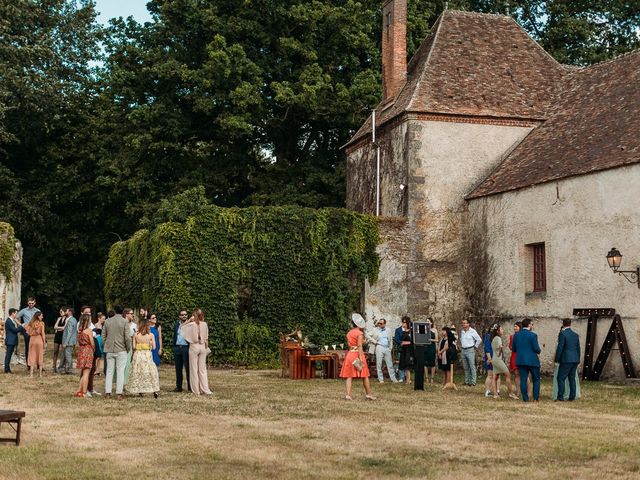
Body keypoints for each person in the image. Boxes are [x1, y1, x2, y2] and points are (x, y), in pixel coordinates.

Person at [339, 313, 375, 400]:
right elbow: (359, 346)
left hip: (350, 354)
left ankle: (348, 394)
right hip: (357, 354)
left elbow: (349, 344)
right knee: (364, 375)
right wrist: (360, 357)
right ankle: (369, 394)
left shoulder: (349, 333)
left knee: (349, 375)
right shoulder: (360, 333)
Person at [103, 305, 133, 399]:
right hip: (121, 349)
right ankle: (119, 393)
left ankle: (108, 393)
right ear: (122, 311)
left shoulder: (107, 321)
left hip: (110, 349)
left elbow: (103, 336)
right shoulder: (124, 322)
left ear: (114, 311)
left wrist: (106, 345)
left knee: (109, 371)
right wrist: (128, 348)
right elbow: (127, 338)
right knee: (120, 372)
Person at [126, 319, 160, 398]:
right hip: (147, 354)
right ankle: (154, 389)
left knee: (138, 371)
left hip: (138, 354)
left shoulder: (136, 334)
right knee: (150, 371)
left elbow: (134, 347)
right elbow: (154, 347)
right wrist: (150, 344)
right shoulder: (151, 335)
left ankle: (139, 389)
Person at [181, 308, 212, 395]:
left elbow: (182, 327)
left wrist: (189, 320)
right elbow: (206, 338)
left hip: (194, 346)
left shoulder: (191, 324)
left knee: (194, 369)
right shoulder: (204, 324)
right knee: (202, 369)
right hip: (202, 346)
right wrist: (206, 348)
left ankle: (196, 390)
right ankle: (205, 389)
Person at [511, 318, 541, 403]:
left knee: (523, 379)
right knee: (536, 379)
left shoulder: (516, 335)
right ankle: (535, 398)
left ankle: (525, 399)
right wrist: (539, 350)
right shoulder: (533, 335)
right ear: (528, 325)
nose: (532, 326)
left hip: (521, 360)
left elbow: (514, 349)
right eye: (531, 324)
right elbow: (536, 348)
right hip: (532, 360)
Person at [554, 319, 581, 401]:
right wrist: (578, 359)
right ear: (570, 324)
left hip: (566, 359)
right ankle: (572, 396)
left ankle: (560, 396)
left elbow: (560, 347)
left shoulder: (563, 334)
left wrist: (557, 359)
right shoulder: (575, 335)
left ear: (563, 324)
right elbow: (578, 348)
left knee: (560, 378)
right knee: (572, 378)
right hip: (575, 359)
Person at [489, 325, 517, 399]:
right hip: (498, 359)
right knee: (508, 375)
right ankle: (511, 393)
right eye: (501, 329)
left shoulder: (493, 338)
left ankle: (495, 394)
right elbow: (500, 347)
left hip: (494, 359)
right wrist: (500, 353)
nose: (503, 330)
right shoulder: (498, 338)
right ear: (497, 331)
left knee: (495, 377)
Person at [366, 318, 398, 383]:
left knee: (390, 364)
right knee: (379, 363)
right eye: (379, 323)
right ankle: (381, 379)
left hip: (387, 348)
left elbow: (391, 339)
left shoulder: (388, 330)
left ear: (384, 324)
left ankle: (393, 378)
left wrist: (390, 348)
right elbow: (367, 335)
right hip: (379, 347)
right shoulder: (375, 330)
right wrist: (374, 341)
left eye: (381, 323)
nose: (379, 324)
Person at [16, 296, 40, 365]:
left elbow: (40, 320)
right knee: (28, 346)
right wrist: (21, 324)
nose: (31, 304)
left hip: (35, 331)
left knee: (36, 347)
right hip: (27, 330)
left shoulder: (37, 311)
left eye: (32, 303)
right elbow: (15, 317)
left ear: (34, 303)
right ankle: (28, 364)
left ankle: (38, 364)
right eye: (29, 303)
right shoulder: (24, 310)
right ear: (27, 303)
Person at [75, 314, 95, 397]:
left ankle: (79, 390)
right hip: (88, 350)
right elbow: (92, 343)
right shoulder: (88, 331)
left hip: (81, 350)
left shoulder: (79, 330)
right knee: (87, 373)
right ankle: (84, 392)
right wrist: (94, 350)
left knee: (83, 372)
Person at [87, 313, 106, 397]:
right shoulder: (88, 326)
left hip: (96, 343)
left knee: (92, 368)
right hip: (92, 346)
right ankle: (85, 389)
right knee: (87, 370)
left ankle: (90, 389)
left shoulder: (91, 324)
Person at [459, 318, 482, 386]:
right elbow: (461, 340)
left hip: (470, 350)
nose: (463, 324)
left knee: (472, 366)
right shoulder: (462, 331)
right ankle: (466, 381)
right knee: (466, 367)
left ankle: (473, 382)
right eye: (463, 323)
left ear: (468, 324)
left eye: (465, 323)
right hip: (463, 350)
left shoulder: (472, 331)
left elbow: (479, 339)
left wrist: (475, 346)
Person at [173, 309, 191, 392]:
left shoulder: (190, 324)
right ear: (179, 316)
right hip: (177, 348)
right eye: (182, 315)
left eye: (186, 315)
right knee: (178, 368)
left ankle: (190, 387)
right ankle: (178, 386)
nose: (184, 316)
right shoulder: (176, 324)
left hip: (186, 348)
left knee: (188, 368)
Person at [26, 312, 46, 377]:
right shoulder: (42, 323)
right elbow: (42, 333)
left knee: (32, 355)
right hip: (39, 339)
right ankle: (40, 374)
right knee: (40, 355)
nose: (42, 317)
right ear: (38, 316)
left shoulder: (31, 323)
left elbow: (28, 332)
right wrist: (44, 342)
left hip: (32, 340)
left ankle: (31, 374)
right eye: (41, 316)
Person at [4, 308, 25, 373]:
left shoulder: (12, 320)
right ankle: (7, 369)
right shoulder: (8, 321)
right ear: (13, 313)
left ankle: (7, 369)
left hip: (12, 340)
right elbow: (14, 330)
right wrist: (22, 326)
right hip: (10, 341)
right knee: (8, 355)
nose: (16, 315)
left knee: (9, 355)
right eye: (16, 313)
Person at [60, 307, 78, 374]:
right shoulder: (74, 319)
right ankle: (65, 369)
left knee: (68, 356)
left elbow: (69, 332)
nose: (66, 312)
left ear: (70, 312)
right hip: (71, 341)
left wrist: (65, 342)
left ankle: (70, 370)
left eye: (67, 311)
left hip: (69, 341)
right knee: (66, 355)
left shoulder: (70, 320)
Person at [398, 316, 414, 384]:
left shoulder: (411, 331)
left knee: (408, 364)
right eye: (402, 322)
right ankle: (407, 379)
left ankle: (408, 379)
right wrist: (402, 343)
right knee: (404, 363)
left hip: (409, 349)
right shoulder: (403, 331)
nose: (403, 324)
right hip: (404, 349)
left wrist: (405, 342)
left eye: (404, 322)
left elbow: (413, 341)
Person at [52, 307, 67, 373]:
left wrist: (58, 328)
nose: (60, 313)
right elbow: (55, 326)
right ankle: (54, 366)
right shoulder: (59, 318)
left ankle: (62, 366)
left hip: (63, 336)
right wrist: (60, 328)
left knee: (63, 352)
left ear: (65, 312)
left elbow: (65, 327)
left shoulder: (67, 319)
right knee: (55, 351)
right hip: (57, 336)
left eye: (61, 312)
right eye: (60, 312)